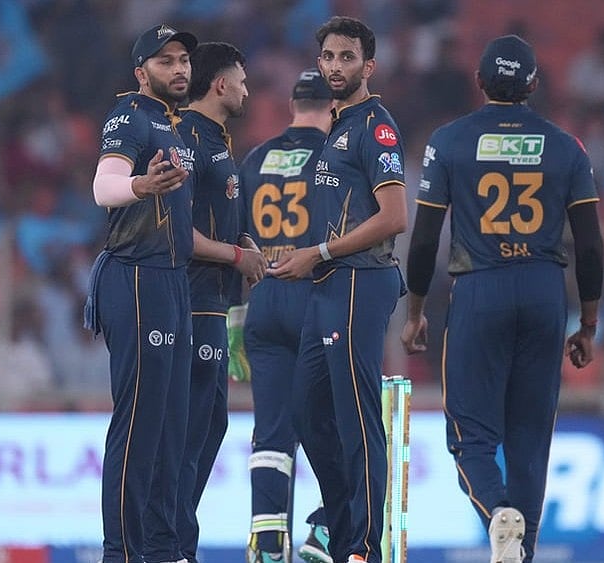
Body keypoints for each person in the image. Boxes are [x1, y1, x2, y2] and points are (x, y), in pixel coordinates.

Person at [400, 35, 604, 563]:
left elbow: (423, 239)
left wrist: (416, 309)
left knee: (471, 437)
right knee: (530, 441)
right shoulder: (566, 146)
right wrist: (587, 321)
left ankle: (496, 513)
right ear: (534, 84)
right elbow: (590, 243)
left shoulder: (448, 142)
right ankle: (523, 552)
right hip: (544, 291)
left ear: (479, 82)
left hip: (480, 288)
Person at [269, 16, 408, 563]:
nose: (334, 66)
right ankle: (342, 525)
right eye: (327, 56)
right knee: (306, 412)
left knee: (356, 417)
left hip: (358, 282)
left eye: (346, 57)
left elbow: (395, 216)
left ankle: (364, 548)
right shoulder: (338, 125)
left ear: (368, 66)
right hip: (327, 285)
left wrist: (320, 254)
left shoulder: (375, 126)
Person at [83, 23, 198, 563]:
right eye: (166, 61)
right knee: (139, 421)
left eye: (183, 60)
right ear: (141, 71)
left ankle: (159, 549)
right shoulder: (130, 113)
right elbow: (104, 187)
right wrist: (140, 186)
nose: (179, 69)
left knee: (172, 424)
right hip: (136, 277)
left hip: (171, 279)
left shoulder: (173, 125)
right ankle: (121, 553)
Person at [171, 41, 267, 563]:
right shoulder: (186, 138)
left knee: (210, 426)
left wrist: (243, 246)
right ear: (221, 84)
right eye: (243, 78)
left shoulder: (215, 141)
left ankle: (178, 542)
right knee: (189, 430)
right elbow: (178, 233)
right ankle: (172, 547)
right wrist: (234, 255)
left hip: (214, 305)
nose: (249, 89)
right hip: (188, 304)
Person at [239, 68, 336, 563]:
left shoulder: (257, 159)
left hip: (264, 299)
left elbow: (238, 236)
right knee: (338, 421)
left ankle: (267, 540)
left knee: (271, 432)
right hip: (314, 299)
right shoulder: (334, 155)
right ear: (333, 106)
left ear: (294, 105)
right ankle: (323, 530)